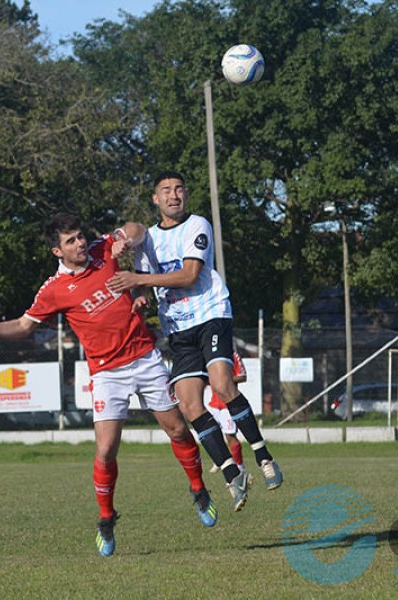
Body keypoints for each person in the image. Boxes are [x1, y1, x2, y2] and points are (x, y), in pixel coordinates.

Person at [0, 213, 216, 558]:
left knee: (176, 429)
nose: (80, 244)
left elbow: (139, 229)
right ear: (57, 251)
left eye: (80, 236)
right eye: (71, 241)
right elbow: (24, 325)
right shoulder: (54, 290)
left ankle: (199, 489)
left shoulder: (103, 251)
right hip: (106, 372)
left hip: (144, 357)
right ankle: (106, 517)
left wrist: (125, 237)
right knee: (106, 449)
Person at [107, 170, 283, 512]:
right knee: (189, 406)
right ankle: (233, 474)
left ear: (185, 195)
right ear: (155, 199)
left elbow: (189, 275)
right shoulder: (149, 238)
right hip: (178, 327)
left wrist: (139, 279)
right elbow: (144, 276)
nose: (174, 196)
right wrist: (140, 294)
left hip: (211, 315)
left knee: (221, 383)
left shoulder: (197, 225)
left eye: (179, 189)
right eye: (166, 191)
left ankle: (264, 456)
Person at [207, 351, 247, 475]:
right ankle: (220, 460)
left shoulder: (233, 355)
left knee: (230, 436)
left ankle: (240, 468)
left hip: (227, 405)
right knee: (211, 435)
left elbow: (242, 375)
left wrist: (224, 380)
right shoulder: (207, 354)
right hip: (213, 404)